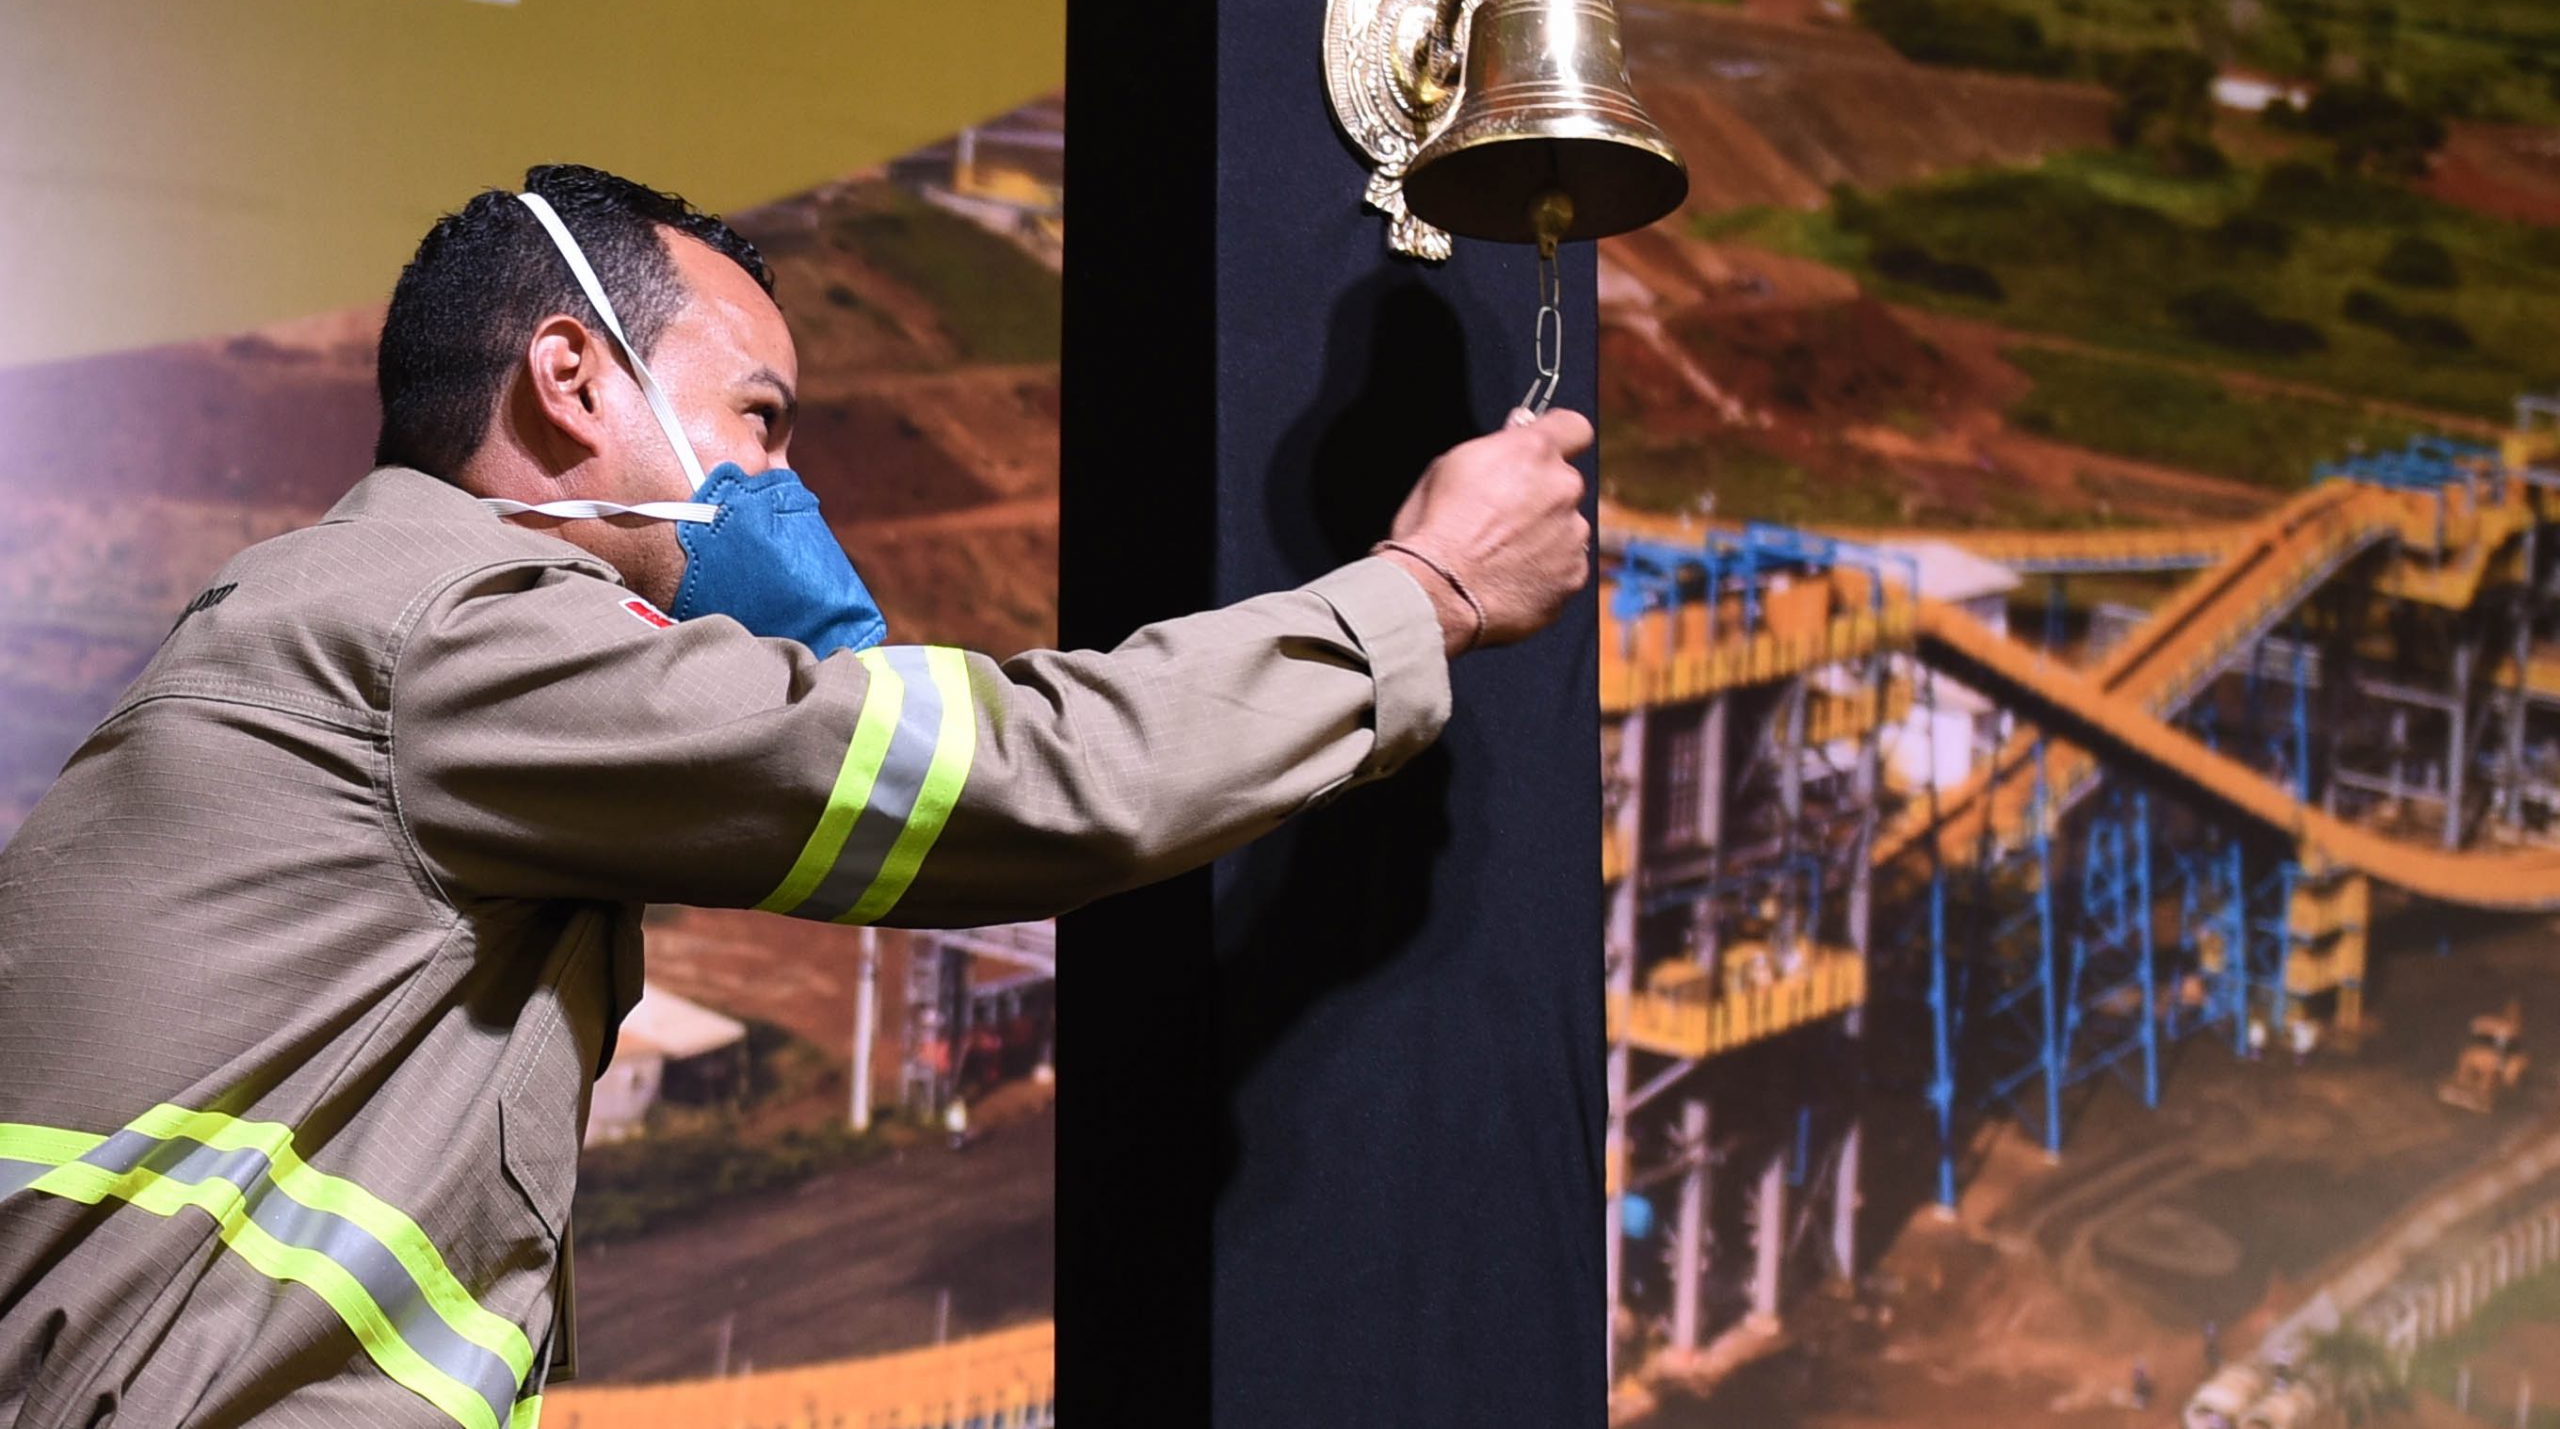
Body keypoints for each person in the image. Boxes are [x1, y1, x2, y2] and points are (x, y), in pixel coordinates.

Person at [0, 165, 1593, 1427]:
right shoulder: (449, 631)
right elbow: (1025, 784)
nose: (784, 485)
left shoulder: (365, 620)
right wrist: (1423, 592)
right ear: (572, 374)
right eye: (759, 418)